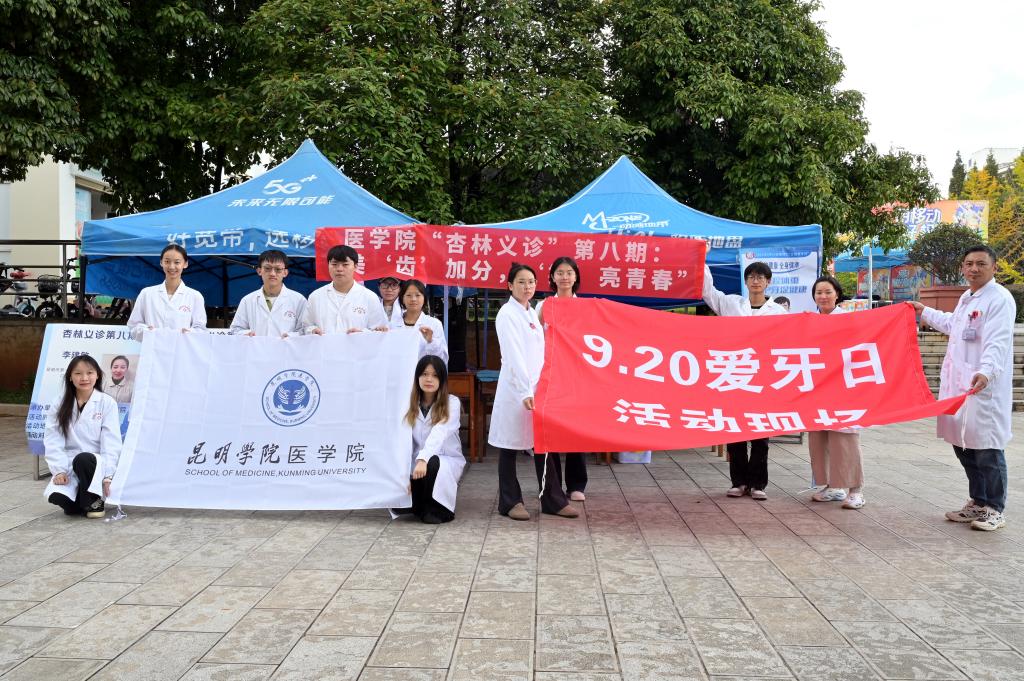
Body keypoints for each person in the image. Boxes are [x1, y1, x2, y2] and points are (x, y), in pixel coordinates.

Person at [911, 244, 1017, 531]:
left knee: (987, 448)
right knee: (963, 445)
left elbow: (997, 341)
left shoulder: (999, 299)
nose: (974, 268)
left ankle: (995, 508)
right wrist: (924, 311)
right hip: (959, 384)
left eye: (981, 263)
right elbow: (954, 325)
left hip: (983, 387)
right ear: (962, 268)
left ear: (994, 267)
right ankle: (978, 501)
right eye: (969, 264)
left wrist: (986, 371)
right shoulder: (967, 297)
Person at [488, 262, 578, 521]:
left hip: (538, 388)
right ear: (510, 285)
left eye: (530, 282)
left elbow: (541, 352)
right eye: (521, 282)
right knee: (509, 446)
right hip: (517, 390)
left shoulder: (531, 312)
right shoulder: (507, 314)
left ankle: (552, 499)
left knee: (543, 443)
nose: (527, 287)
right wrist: (525, 390)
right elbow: (514, 356)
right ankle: (510, 501)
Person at [703, 249, 786, 500]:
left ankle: (758, 484)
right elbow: (708, 292)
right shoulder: (732, 304)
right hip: (735, 373)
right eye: (751, 277)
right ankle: (738, 482)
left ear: (768, 282)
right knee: (735, 431)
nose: (756, 281)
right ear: (746, 281)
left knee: (760, 433)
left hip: (763, 378)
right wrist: (703, 260)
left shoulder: (778, 312)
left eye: (761, 277)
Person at [807, 276, 865, 509]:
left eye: (828, 292)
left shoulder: (849, 320)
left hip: (843, 387)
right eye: (819, 292)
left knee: (845, 438)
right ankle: (833, 486)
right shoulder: (809, 321)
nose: (823, 296)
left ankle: (855, 490)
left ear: (837, 294)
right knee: (819, 437)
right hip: (817, 387)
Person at [535, 256, 588, 501]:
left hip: (576, 375)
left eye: (569, 273)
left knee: (577, 428)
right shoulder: (543, 306)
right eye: (560, 273)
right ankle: (553, 484)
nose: (564, 277)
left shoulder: (584, 307)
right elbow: (534, 339)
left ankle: (576, 484)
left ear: (576, 277)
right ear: (552, 277)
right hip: (550, 374)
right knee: (551, 428)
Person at [43, 355, 121, 518]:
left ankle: (94, 500)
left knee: (83, 459)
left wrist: (108, 476)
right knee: (57, 497)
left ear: (97, 375)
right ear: (70, 377)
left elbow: (111, 441)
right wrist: (59, 471)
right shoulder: (59, 403)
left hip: (94, 462)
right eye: (78, 373)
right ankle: (82, 501)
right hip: (69, 463)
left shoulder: (107, 403)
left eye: (89, 373)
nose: (84, 378)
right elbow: (53, 439)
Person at [398, 355, 465, 524]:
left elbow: (439, 433)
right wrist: (404, 473)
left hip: (444, 460)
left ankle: (436, 508)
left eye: (435, 375)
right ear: (417, 377)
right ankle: (418, 500)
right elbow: (402, 440)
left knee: (433, 462)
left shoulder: (452, 403)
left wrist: (423, 459)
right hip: (417, 464)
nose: (429, 379)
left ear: (442, 380)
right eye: (425, 374)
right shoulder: (408, 403)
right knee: (399, 505)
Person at [127, 244, 207, 340]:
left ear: (185, 264)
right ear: (161, 262)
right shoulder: (146, 294)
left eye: (177, 262)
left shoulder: (195, 296)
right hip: (153, 348)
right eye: (167, 261)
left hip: (181, 348)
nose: (172, 266)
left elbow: (200, 329)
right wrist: (147, 331)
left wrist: (188, 333)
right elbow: (133, 326)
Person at [302, 245, 388, 334]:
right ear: (328, 265)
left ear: (355, 266)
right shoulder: (316, 296)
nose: (339, 269)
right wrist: (312, 330)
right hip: (324, 343)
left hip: (358, 343)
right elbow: (306, 326)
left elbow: (378, 330)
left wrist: (362, 333)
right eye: (334, 264)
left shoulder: (370, 297)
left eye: (345, 264)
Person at [229, 249, 307, 337]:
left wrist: (291, 336)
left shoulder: (299, 300)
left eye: (278, 269)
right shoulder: (247, 300)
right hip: (257, 346)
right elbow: (235, 330)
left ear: (285, 273)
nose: (272, 273)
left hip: (286, 346)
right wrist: (245, 334)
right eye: (267, 268)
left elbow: (305, 330)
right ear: (259, 271)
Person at [392, 279, 448, 363]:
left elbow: (443, 359)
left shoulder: (434, 324)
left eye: (418, 295)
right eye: (408, 295)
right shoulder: (392, 324)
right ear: (402, 298)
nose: (413, 299)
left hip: (423, 371)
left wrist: (431, 341)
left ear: (424, 298)